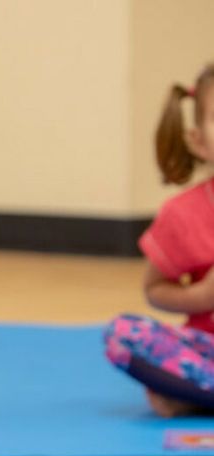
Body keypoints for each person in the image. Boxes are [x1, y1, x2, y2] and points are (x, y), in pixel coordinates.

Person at [104, 63, 214, 417]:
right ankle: (192, 390)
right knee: (123, 334)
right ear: (199, 142)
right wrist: (200, 297)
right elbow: (155, 289)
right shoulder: (183, 215)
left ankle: (189, 397)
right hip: (207, 350)